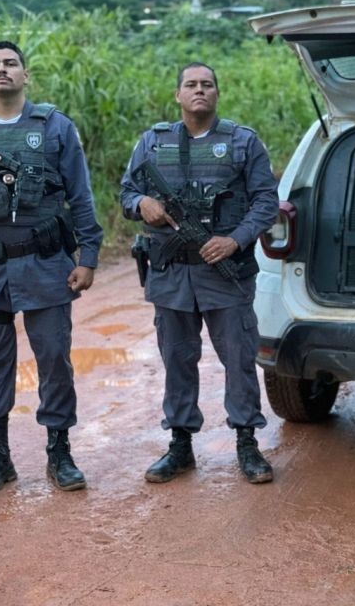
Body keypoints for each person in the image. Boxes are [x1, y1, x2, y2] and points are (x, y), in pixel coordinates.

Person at [0, 41, 103, 494]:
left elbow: (80, 196)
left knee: (53, 359)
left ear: (25, 75)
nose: (2, 70)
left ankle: (59, 452)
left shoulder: (54, 127)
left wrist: (87, 258)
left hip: (46, 265)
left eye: (10, 64)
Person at [120, 62, 279, 484]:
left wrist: (235, 240)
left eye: (207, 85)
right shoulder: (152, 143)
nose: (199, 91)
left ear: (217, 94)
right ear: (178, 95)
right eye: (190, 85)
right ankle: (180, 445)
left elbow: (266, 202)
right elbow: (126, 191)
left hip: (225, 273)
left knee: (239, 360)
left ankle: (246, 442)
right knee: (177, 360)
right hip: (171, 273)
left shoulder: (243, 142)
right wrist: (142, 206)